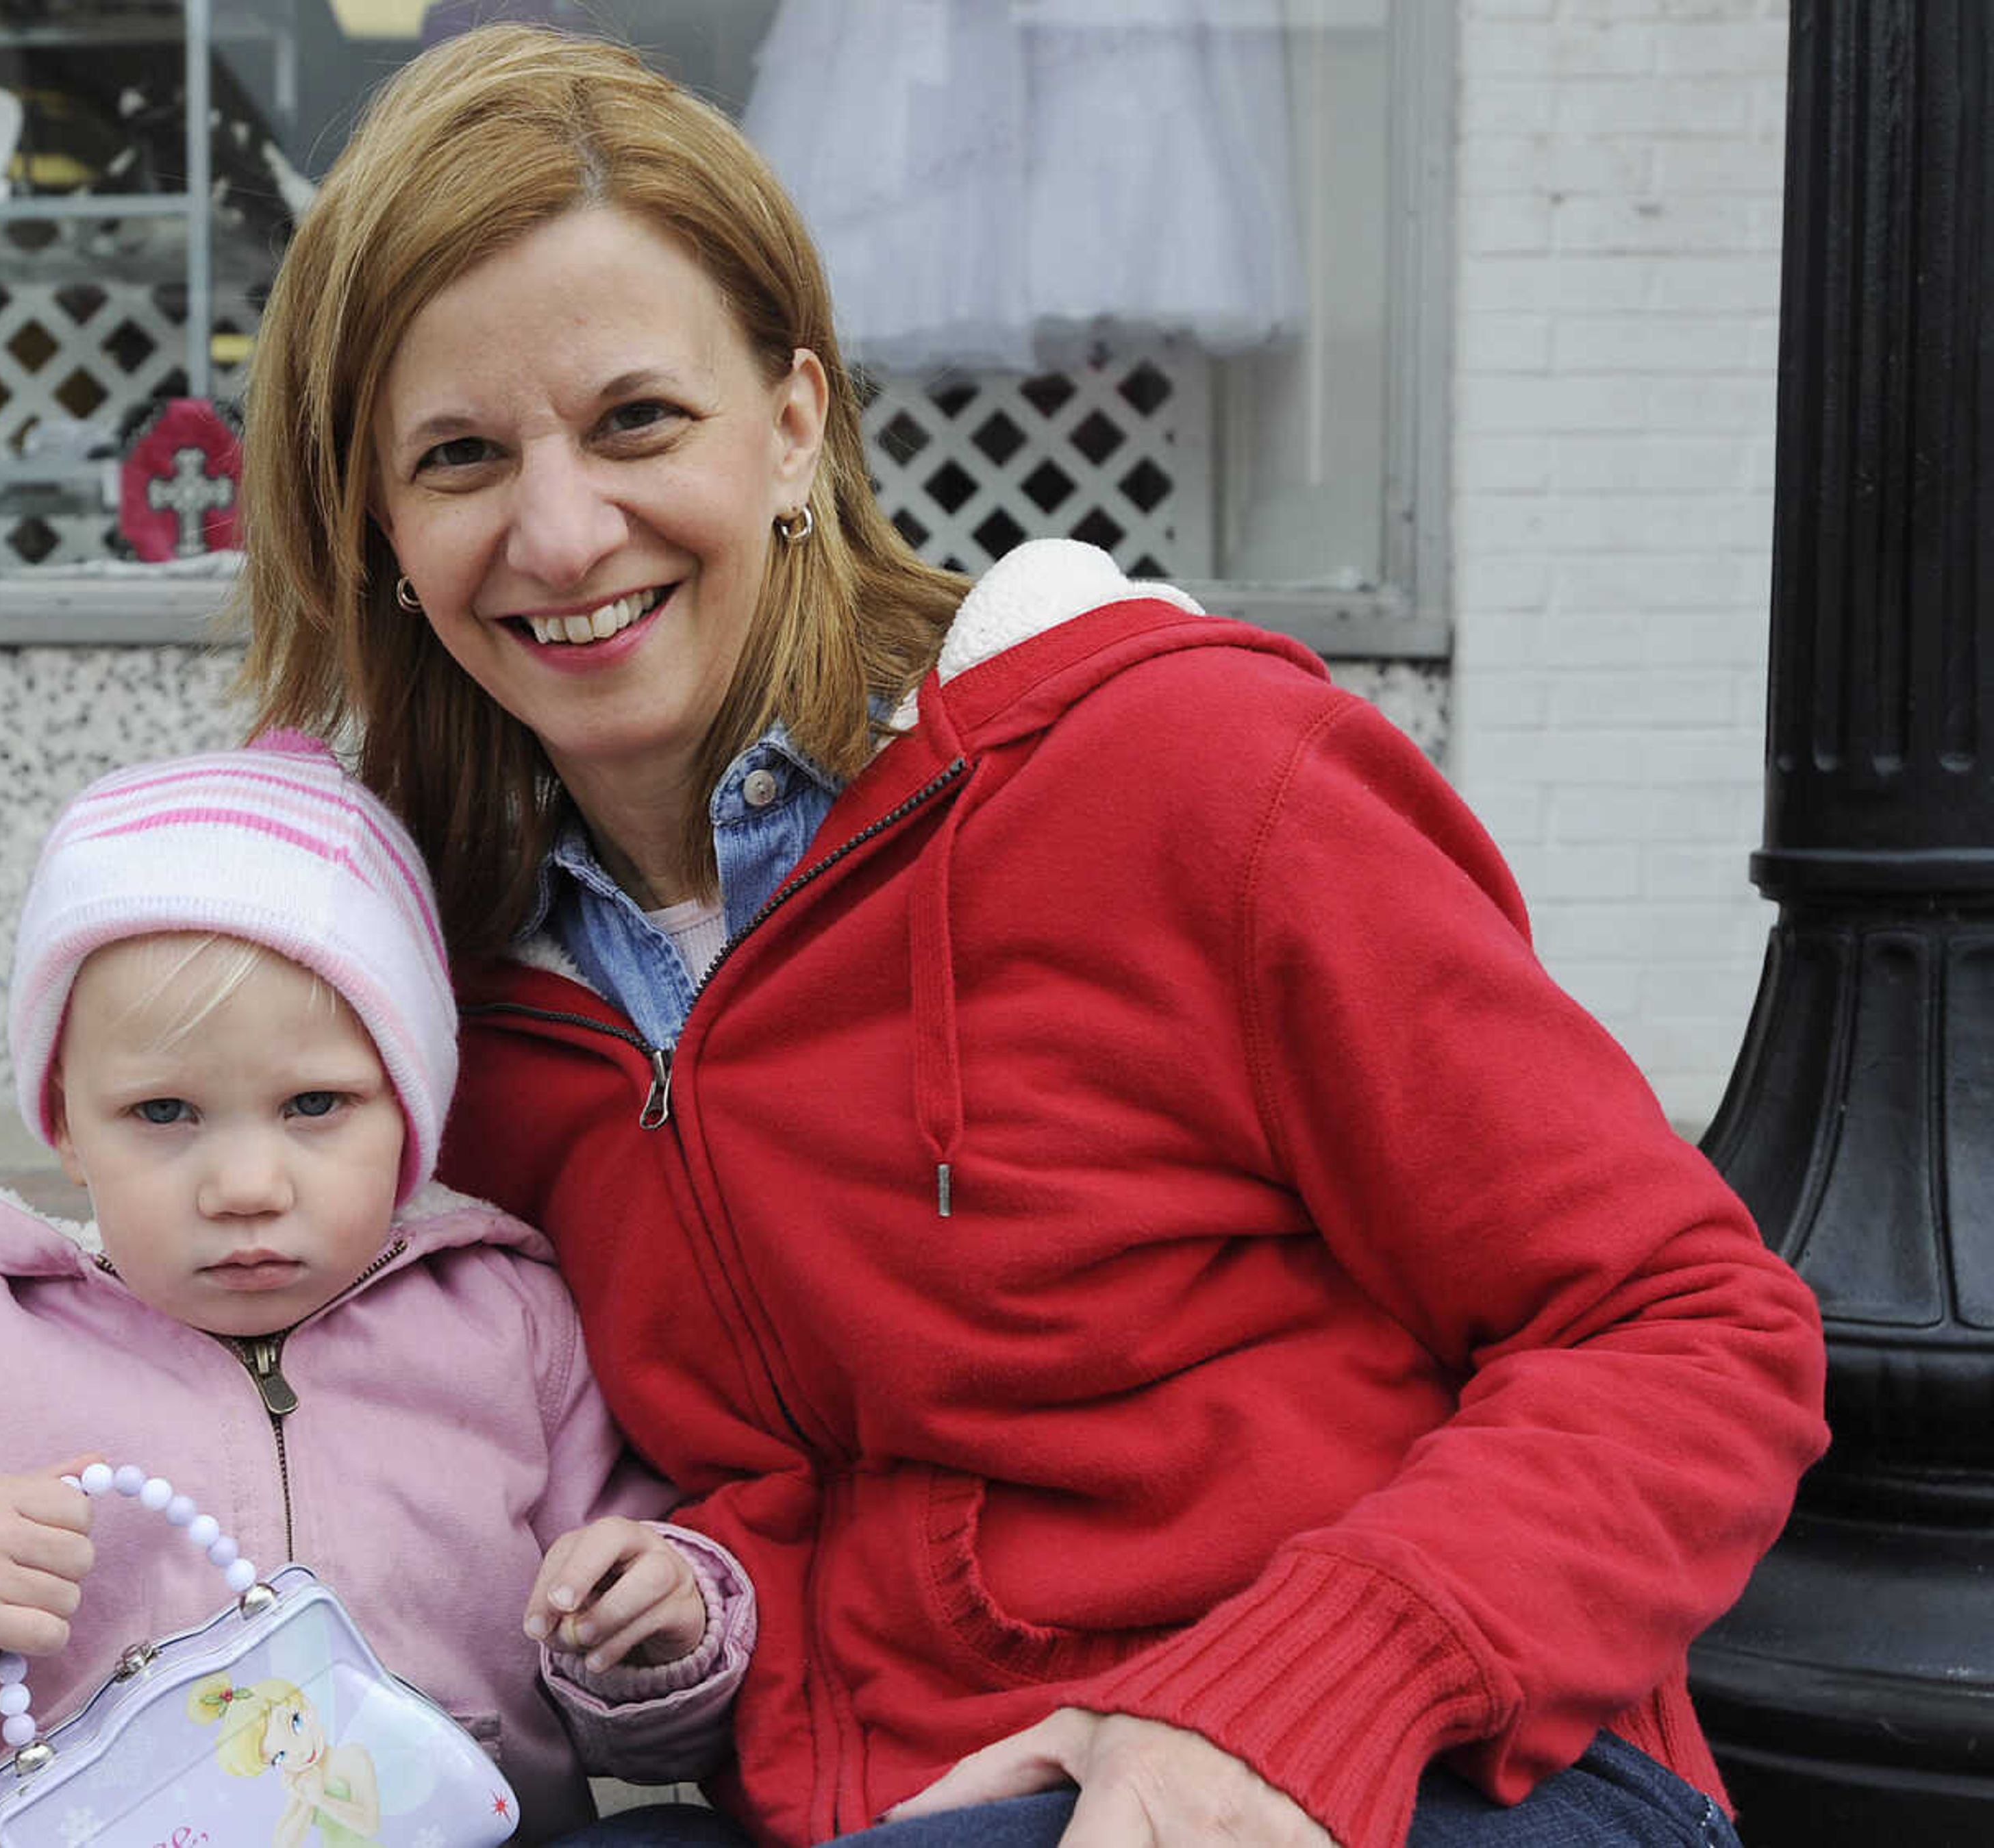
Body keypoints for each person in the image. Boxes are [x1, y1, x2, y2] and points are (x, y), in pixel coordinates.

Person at [230, 24, 1830, 1848]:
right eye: (457, 456)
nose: (562, 527)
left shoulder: (1182, 772)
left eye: (637, 421)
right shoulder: (451, 1006)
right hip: (875, 1799)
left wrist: (1307, 1690)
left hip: (1418, 1767)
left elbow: (1691, 1326)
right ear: (376, 520)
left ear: (796, 428)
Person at [0, 738, 755, 1845]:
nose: (245, 1183)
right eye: (163, 1113)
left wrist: (658, 1633)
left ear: (414, 1116)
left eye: (314, 1105)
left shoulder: (508, 1329)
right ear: (66, 1126)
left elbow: (670, 1707)